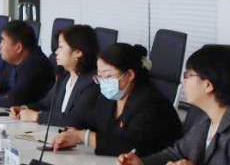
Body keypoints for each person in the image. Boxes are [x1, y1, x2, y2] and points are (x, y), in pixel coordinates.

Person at [52, 43, 182, 156]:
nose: (103, 82)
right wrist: (72, 131)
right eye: (100, 76)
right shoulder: (111, 97)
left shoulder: (151, 103)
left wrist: (83, 137)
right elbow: (90, 119)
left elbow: (132, 146)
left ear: (129, 75)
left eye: (108, 76)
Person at [12, 24, 99, 128]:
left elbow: (75, 119)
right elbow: (46, 104)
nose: (56, 52)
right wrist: (24, 109)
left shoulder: (92, 82)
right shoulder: (65, 76)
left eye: (61, 47)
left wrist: (36, 116)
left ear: (78, 52)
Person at [0, 20, 54, 107]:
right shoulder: (14, 61)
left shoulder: (35, 65)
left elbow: (15, 100)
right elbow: (0, 83)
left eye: (3, 41)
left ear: (18, 47)